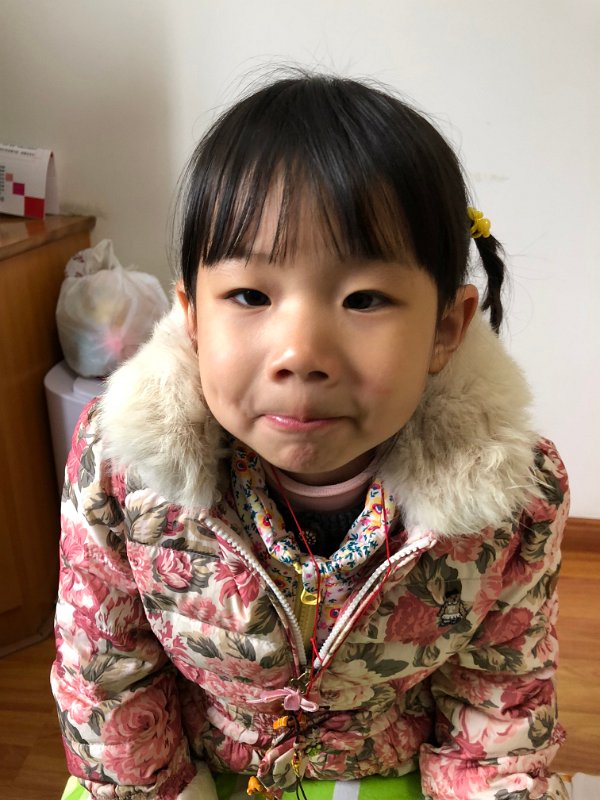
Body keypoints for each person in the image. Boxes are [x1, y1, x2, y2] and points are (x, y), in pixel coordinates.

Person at [51, 73, 570, 800]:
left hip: (386, 762)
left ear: (445, 329)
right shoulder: (121, 467)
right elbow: (107, 673)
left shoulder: (514, 498)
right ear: (192, 317)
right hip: (189, 763)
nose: (300, 354)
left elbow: (499, 711)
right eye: (250, 295)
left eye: (364, 298)